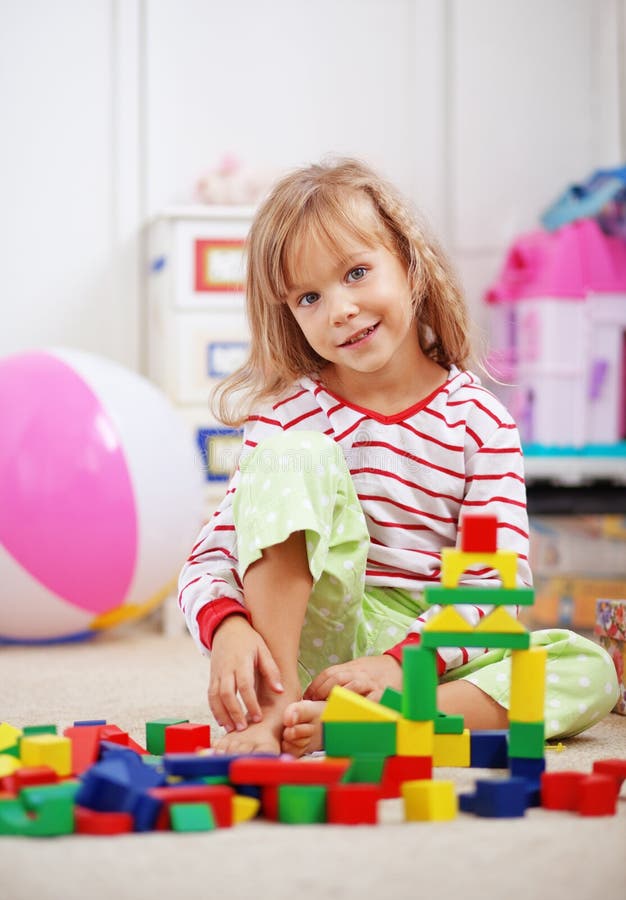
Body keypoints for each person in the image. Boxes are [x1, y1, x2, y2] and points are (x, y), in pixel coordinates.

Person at [178, 158, 619, 757]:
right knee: (291, 455)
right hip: (313, 649)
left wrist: (399, 665)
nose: (339, 309)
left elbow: (496, 579)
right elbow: (213, 554)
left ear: (411, 267)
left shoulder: (480, 422)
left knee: (586, 668)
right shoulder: (286, 420)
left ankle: (384, 721)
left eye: (357, 272)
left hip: (428, 658)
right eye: (309, 297)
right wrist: (227, 626)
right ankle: (280, 707)